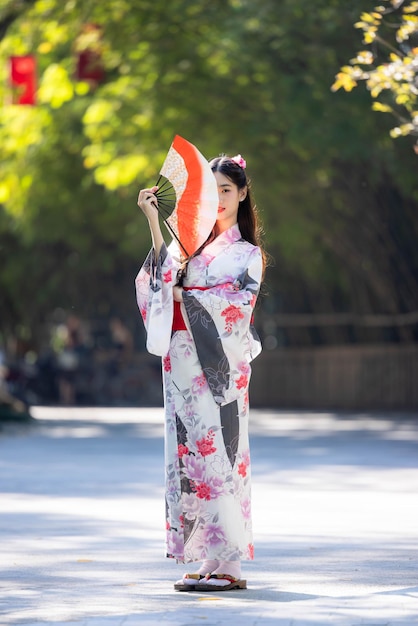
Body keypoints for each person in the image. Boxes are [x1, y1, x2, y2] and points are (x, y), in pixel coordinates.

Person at [135, 152, 267, 592]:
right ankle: (205, 557)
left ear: (243, 193)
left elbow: (235, 310)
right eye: (213, 192)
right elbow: (157, 278)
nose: (221, 199)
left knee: (221, 457)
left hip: (219, 371)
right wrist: (155, 222)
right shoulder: (189, 245)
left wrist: (181, 300)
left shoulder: (247, 255)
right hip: (182, 370)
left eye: (227, 190)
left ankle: (231, 564)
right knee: (189, 456)